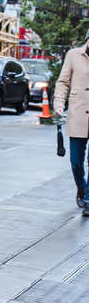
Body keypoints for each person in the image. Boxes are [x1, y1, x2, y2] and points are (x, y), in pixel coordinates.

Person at [54, 28, 89, 216]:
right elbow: (63, 82)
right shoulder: (74, 55)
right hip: (77, 114)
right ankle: (81, 188)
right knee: (76, 161)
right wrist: (59, 103)